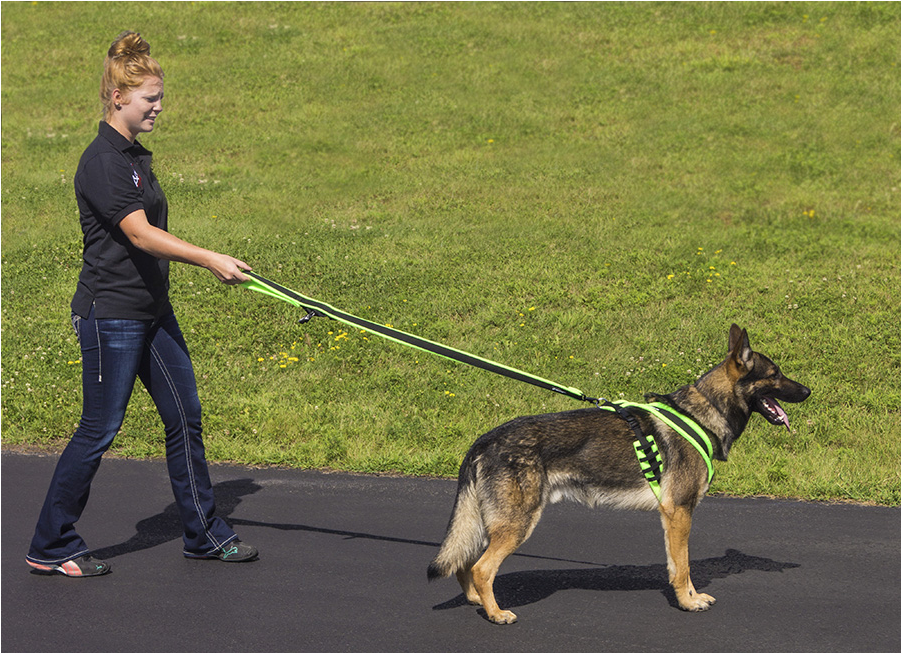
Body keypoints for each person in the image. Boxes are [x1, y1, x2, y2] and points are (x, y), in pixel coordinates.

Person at [26, 31, 258, 577]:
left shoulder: (132, 157)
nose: (158, 107)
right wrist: (209, 258)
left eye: (160, 97)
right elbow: (139, 233)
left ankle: (204, 535)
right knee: (100, 428)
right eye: (149, 98)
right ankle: (51, 543)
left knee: (184, 415)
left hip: (150, 311)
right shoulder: (102, 162)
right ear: (117, 98)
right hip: (111, 314)